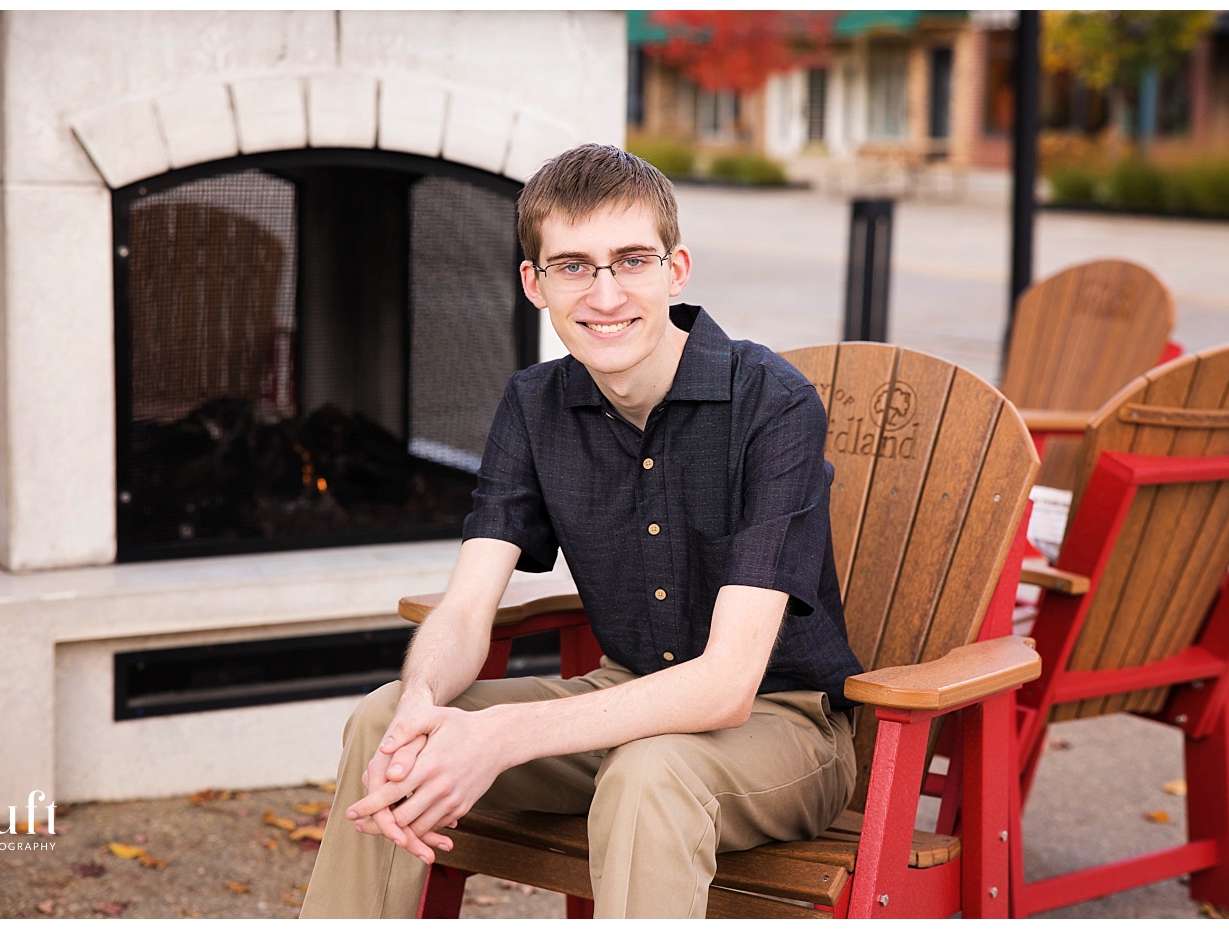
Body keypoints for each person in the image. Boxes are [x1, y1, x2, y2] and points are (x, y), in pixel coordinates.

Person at [299, 144, 864, 918]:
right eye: (572, 266)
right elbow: (466, 608)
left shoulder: (773, 403)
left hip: (783, 723)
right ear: (534, 284)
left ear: (676, 268)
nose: (605, 294)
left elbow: (730, 682)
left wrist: (501, 735)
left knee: (650, 773)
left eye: (631, 260)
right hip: (621, 695)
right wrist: (423, 703)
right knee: (385, 719)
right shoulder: (533, 405)